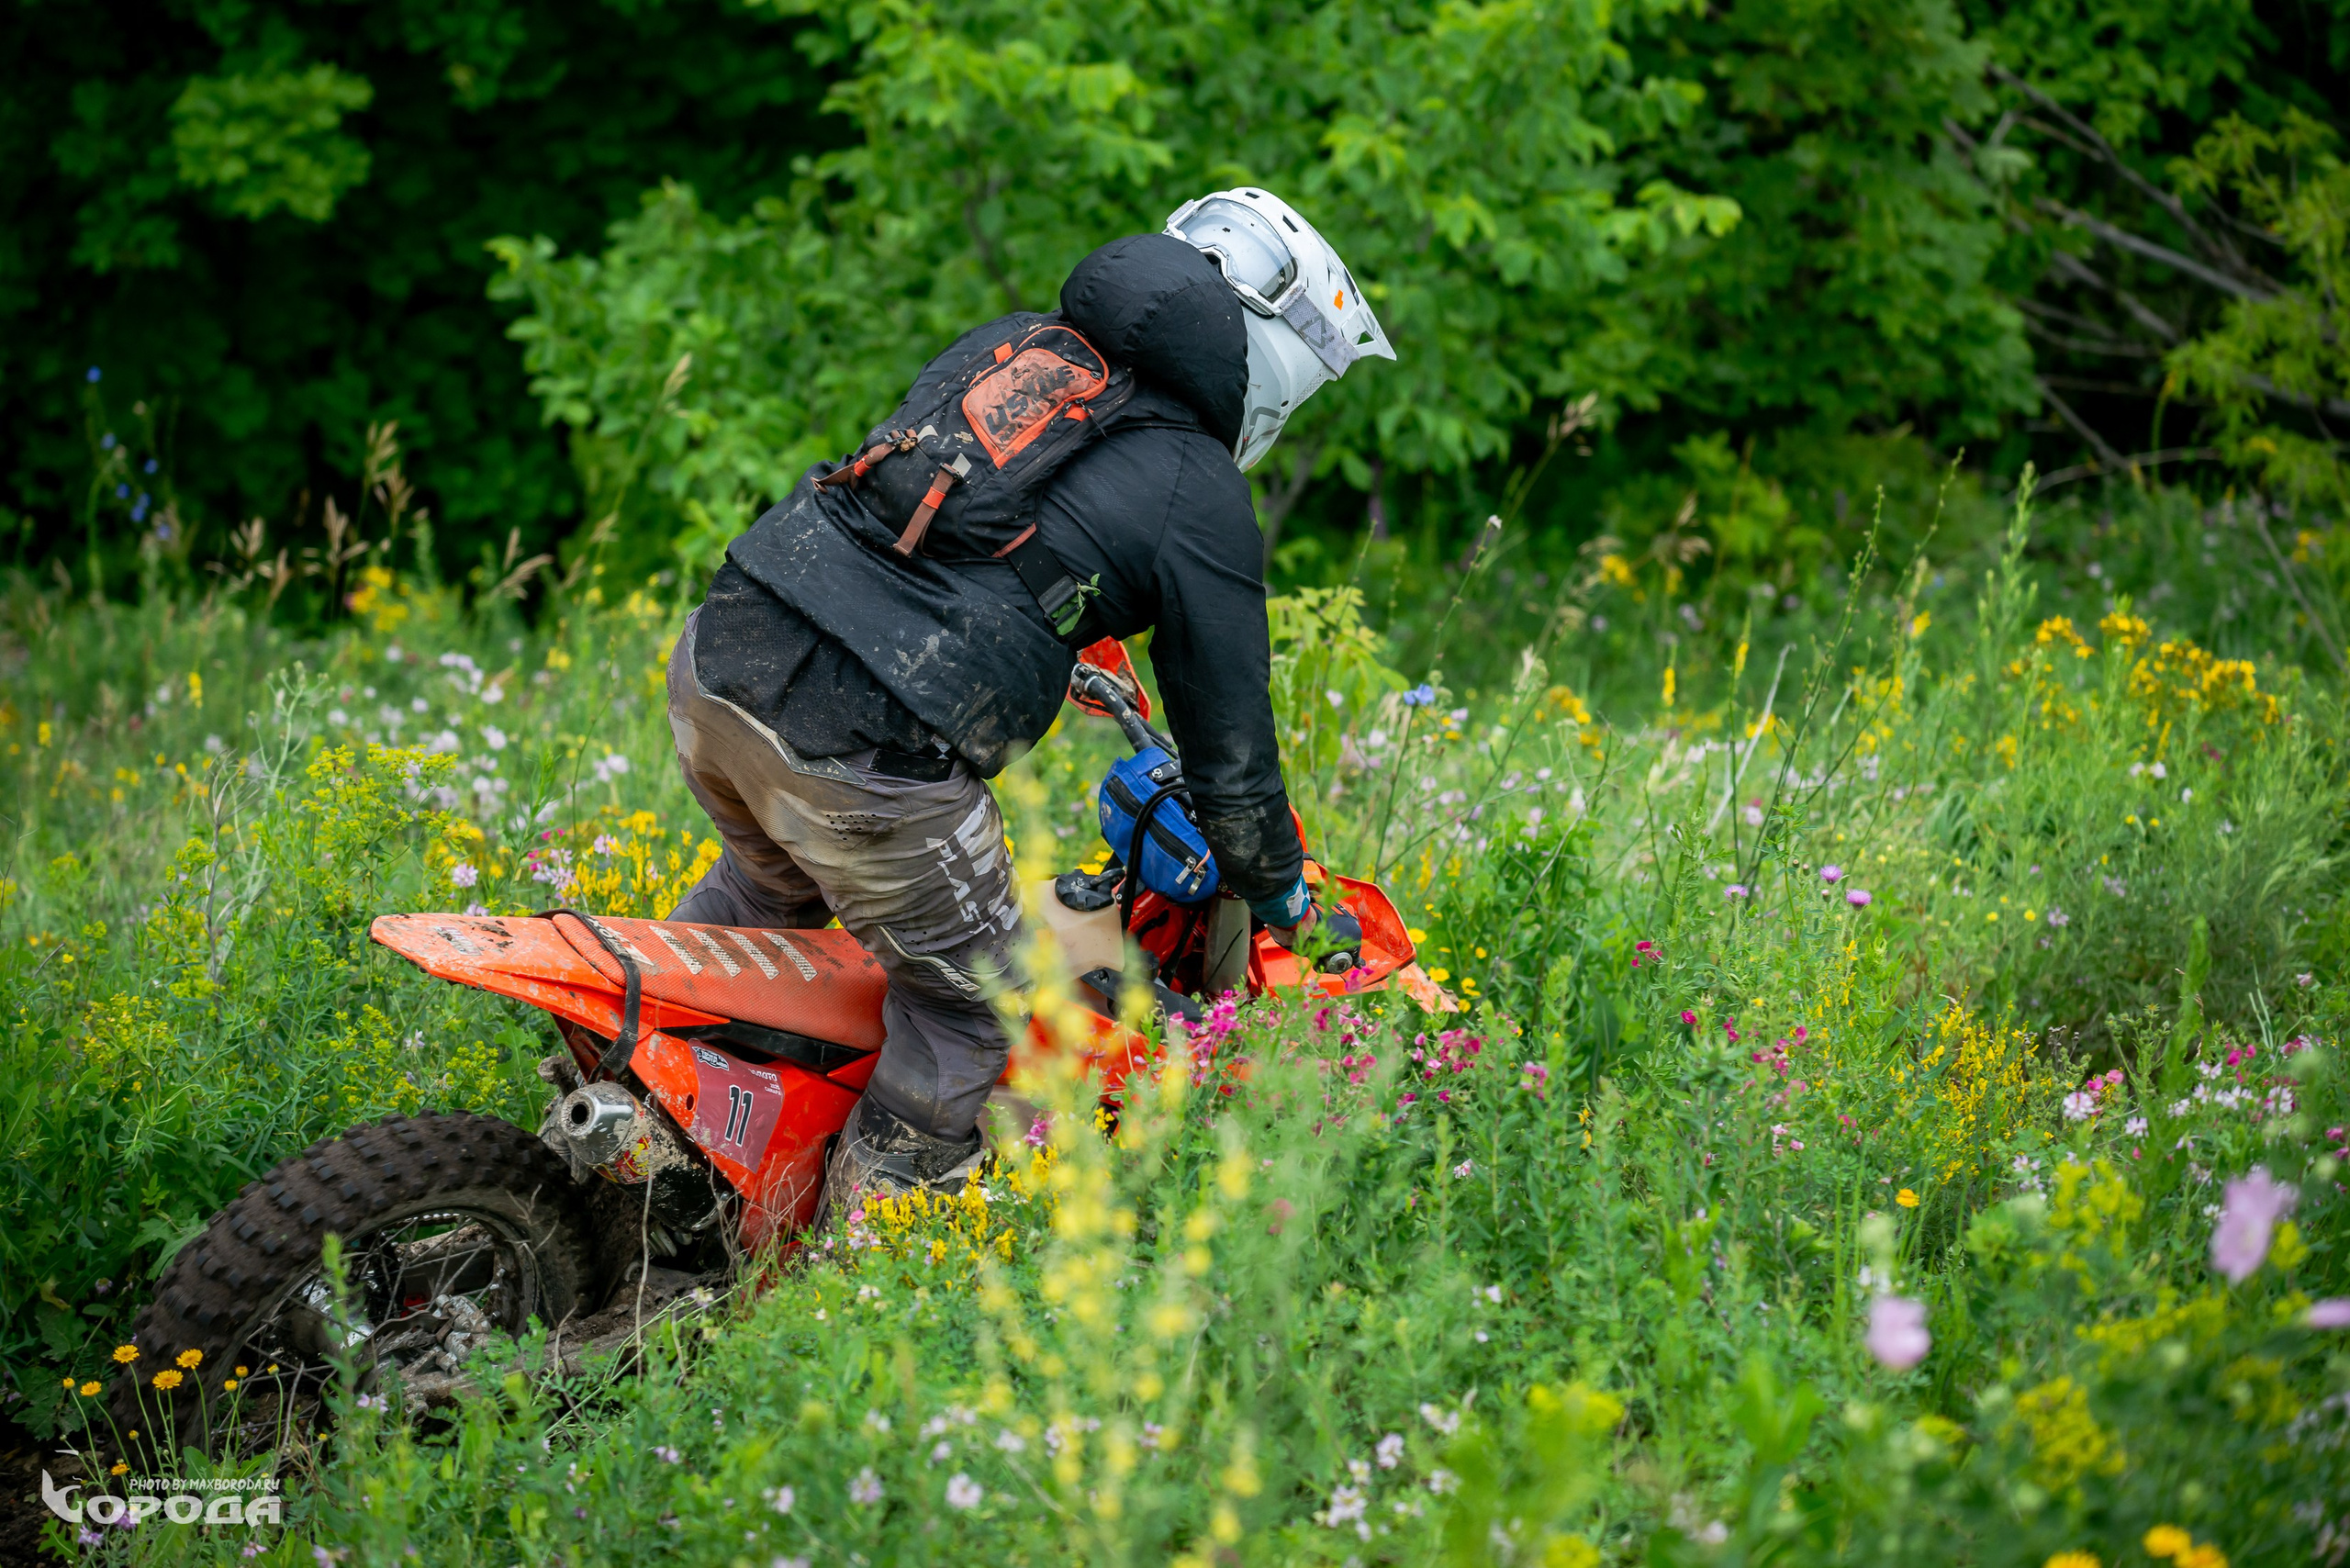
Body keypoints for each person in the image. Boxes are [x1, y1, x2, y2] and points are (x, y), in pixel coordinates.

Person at [661, 187, 1394, 1204]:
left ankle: (640, 1112)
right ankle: (851, 1269)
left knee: (765, 894)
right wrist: (1285, 901)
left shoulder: (1019, 350)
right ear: (1270, 352)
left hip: (726, 648)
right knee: (975, 1011)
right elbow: (1231, 761)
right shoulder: (1201, 491)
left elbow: (946, 514)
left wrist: (1070, 627)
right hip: (864, 755)